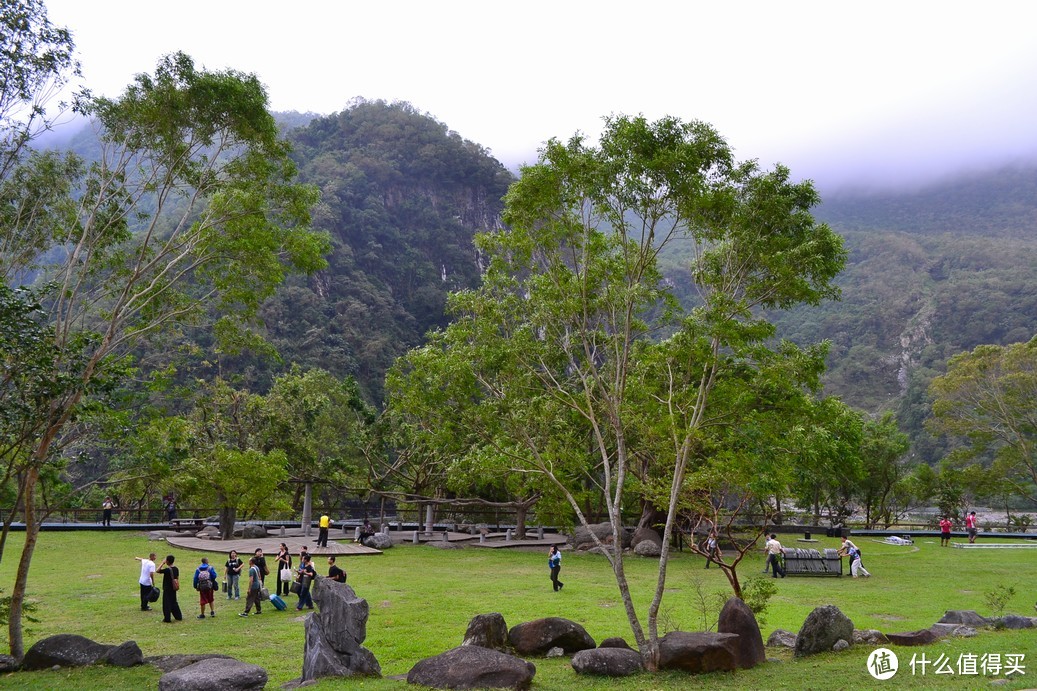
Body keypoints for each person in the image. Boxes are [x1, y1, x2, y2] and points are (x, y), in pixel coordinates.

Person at [156, 554, 183, 623]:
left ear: (167, 561)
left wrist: (162, 563)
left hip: (167, 588)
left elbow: (157, 570)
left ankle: (167, 618)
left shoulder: (167, 570)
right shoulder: (176, 569)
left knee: (166, 604)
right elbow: (177, 578)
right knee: (174, 602)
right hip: (174, 588)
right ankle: (178, 616)